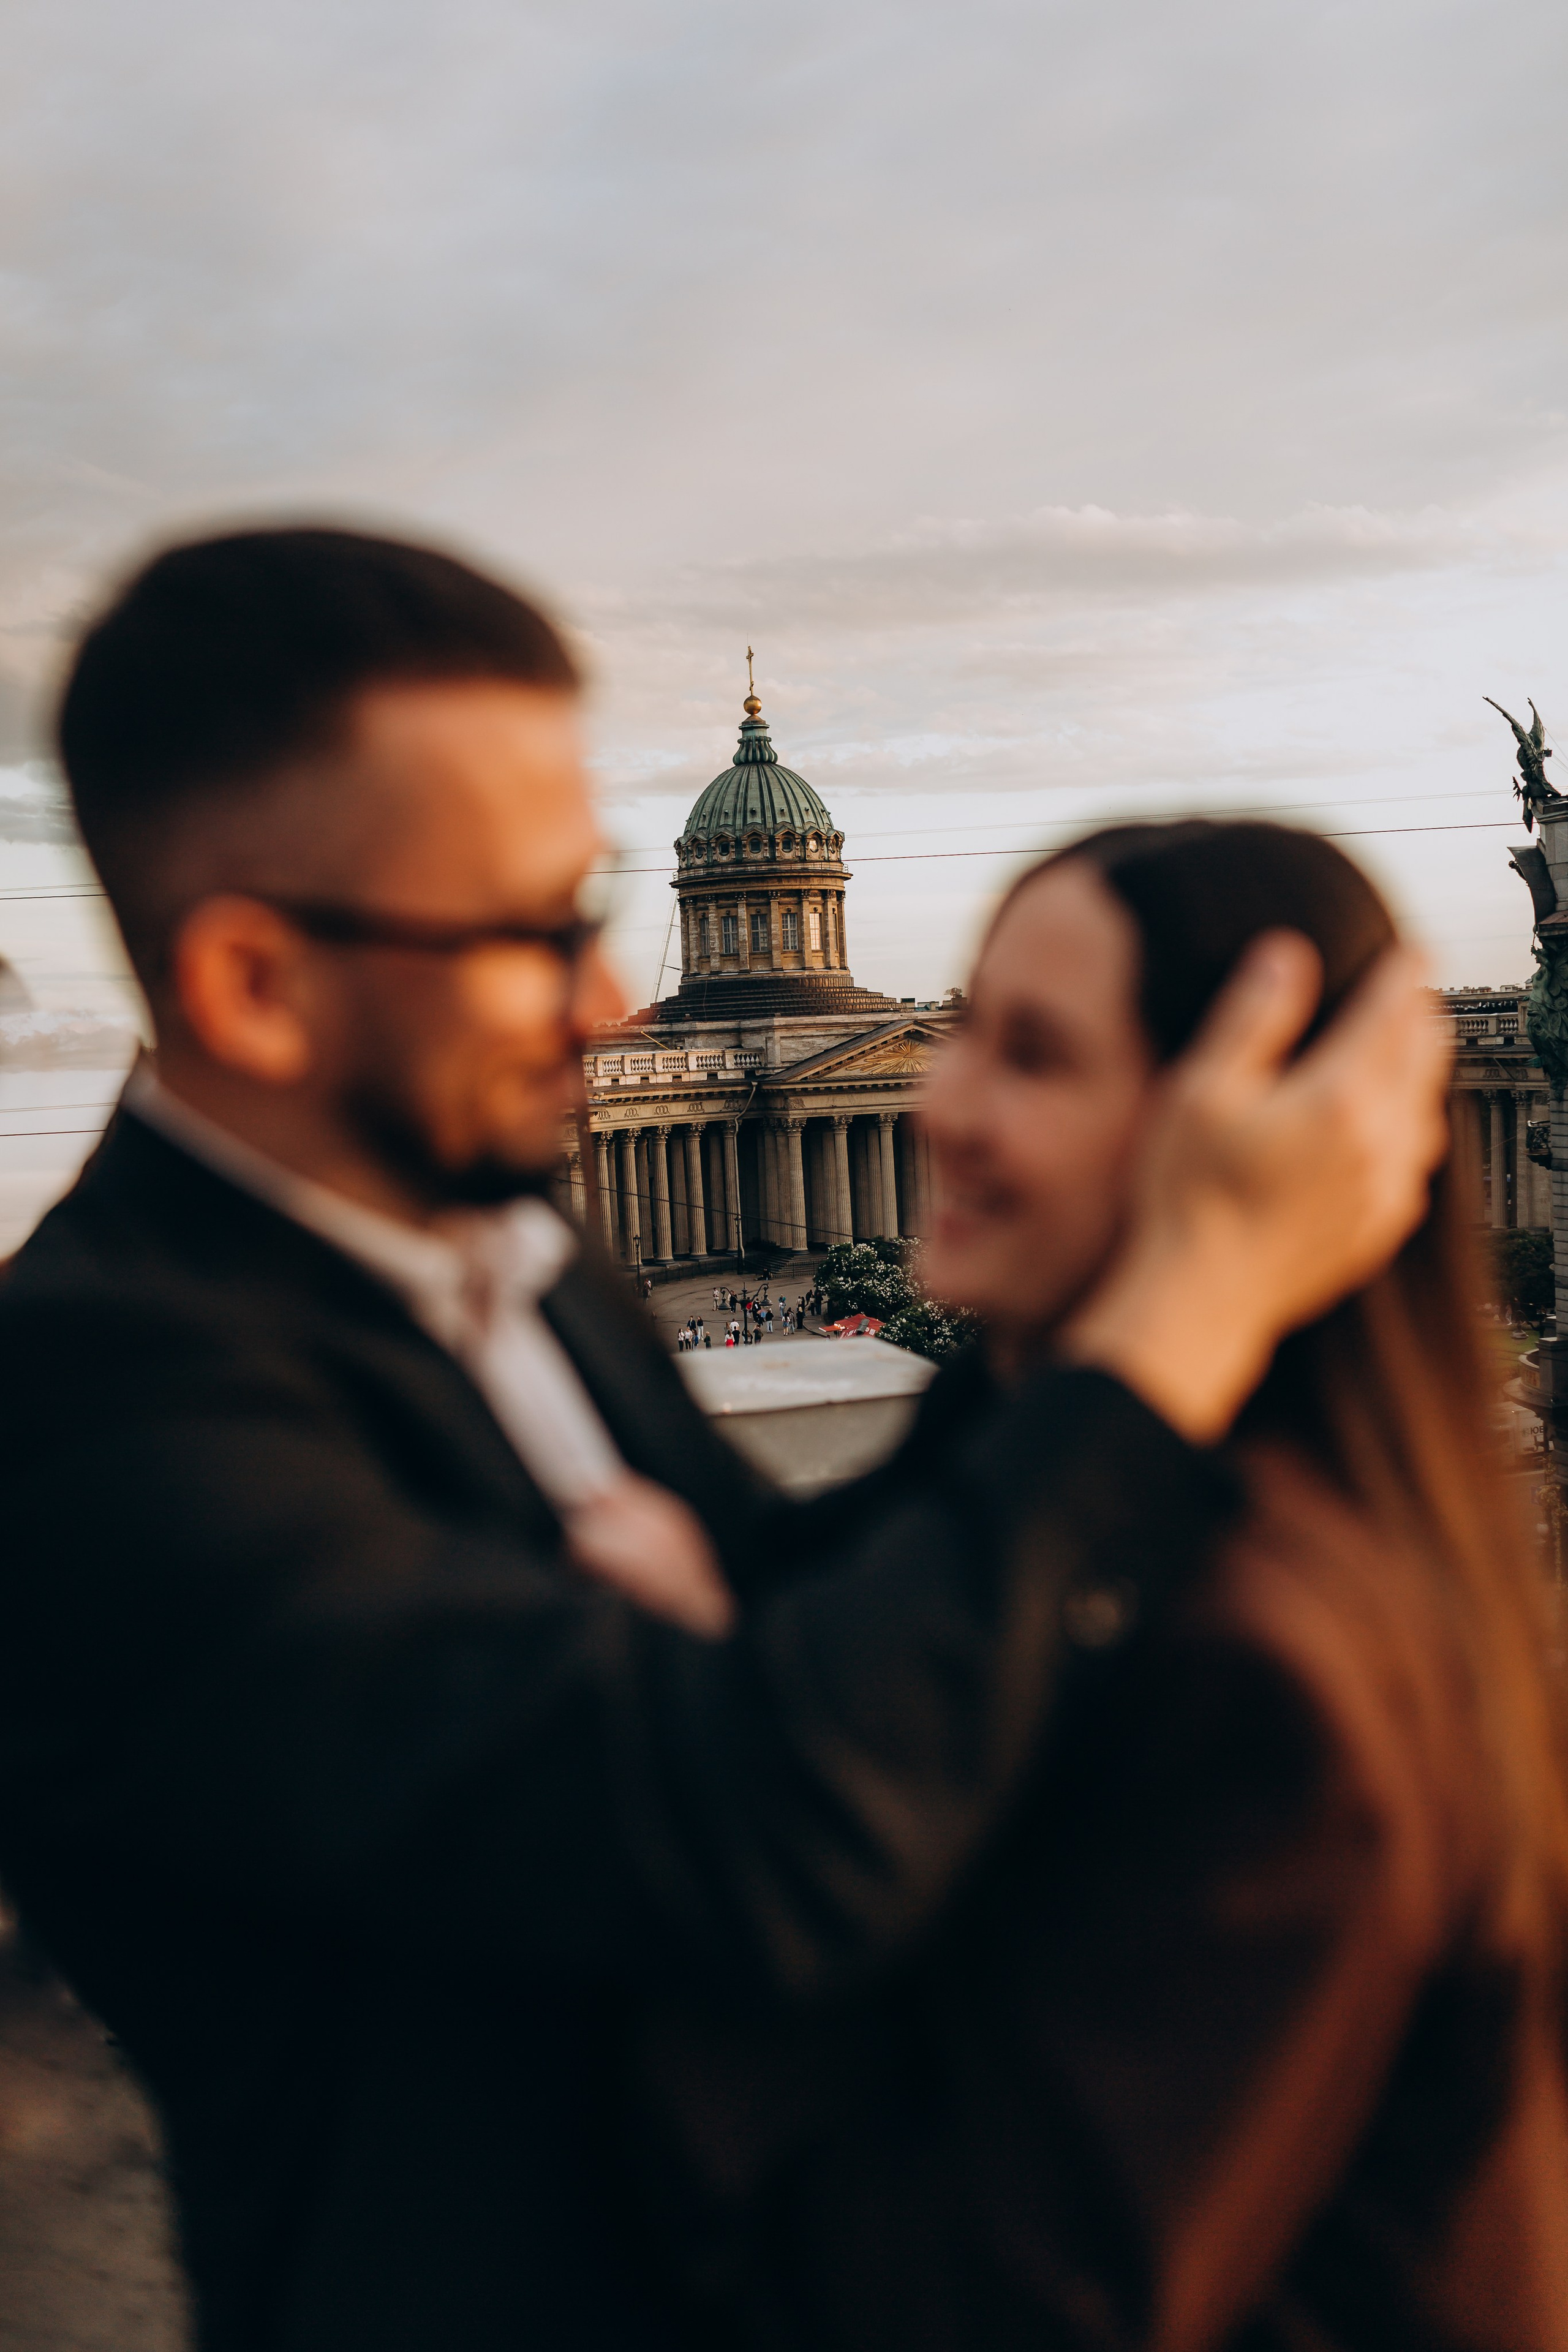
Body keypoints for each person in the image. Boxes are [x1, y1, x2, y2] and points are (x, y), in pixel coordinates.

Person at [0, 530, 1446, 2352]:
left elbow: (800, 1635)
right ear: (254, 987)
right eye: (531, 934)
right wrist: (1189, 1303)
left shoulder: (511, 1248)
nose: (609, 1001)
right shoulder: (92, 1414)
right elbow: (757, 1834)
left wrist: (1042, 1304)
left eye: (599, 906)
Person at [637, 820, 1568, 2352]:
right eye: (961, 1031)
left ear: (1248, 1129)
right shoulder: (1195, 1527)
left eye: (1031, 1054)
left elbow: (993, 2302)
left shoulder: (1251, 1665)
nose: (938, 1099)